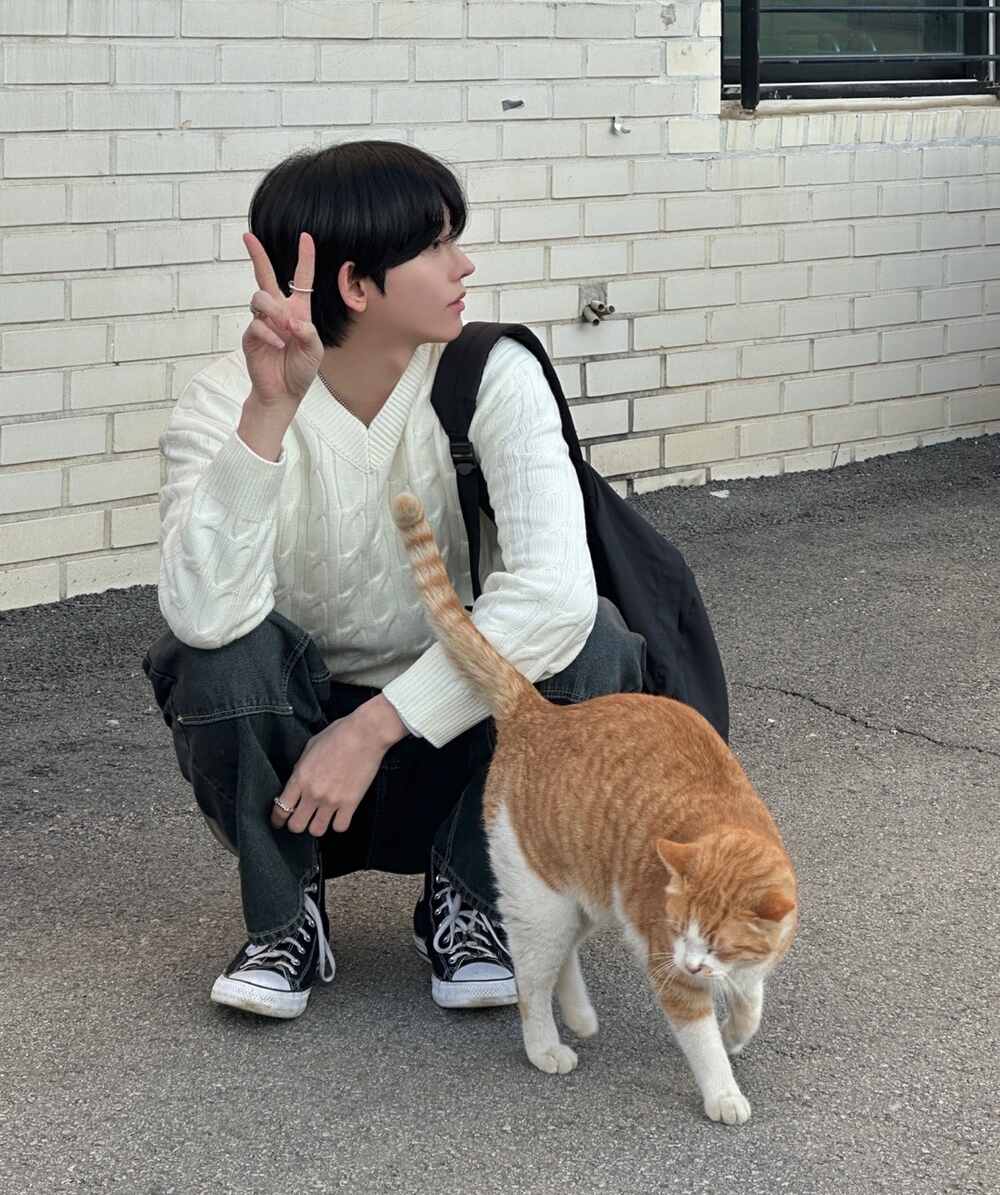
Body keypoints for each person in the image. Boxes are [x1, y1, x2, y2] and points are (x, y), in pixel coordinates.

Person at [144, 140, 644, 1021]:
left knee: (593, 640)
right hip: (295, 770)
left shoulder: (492, 374)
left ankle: (473, 898)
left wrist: (374, 728)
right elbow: (201, 614)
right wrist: (269, 413)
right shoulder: (226, 398)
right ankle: (286, 917)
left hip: (462, 748)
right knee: (212, 657)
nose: (464, 265)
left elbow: (556, 594)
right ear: (354, 284)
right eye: (436, 244)